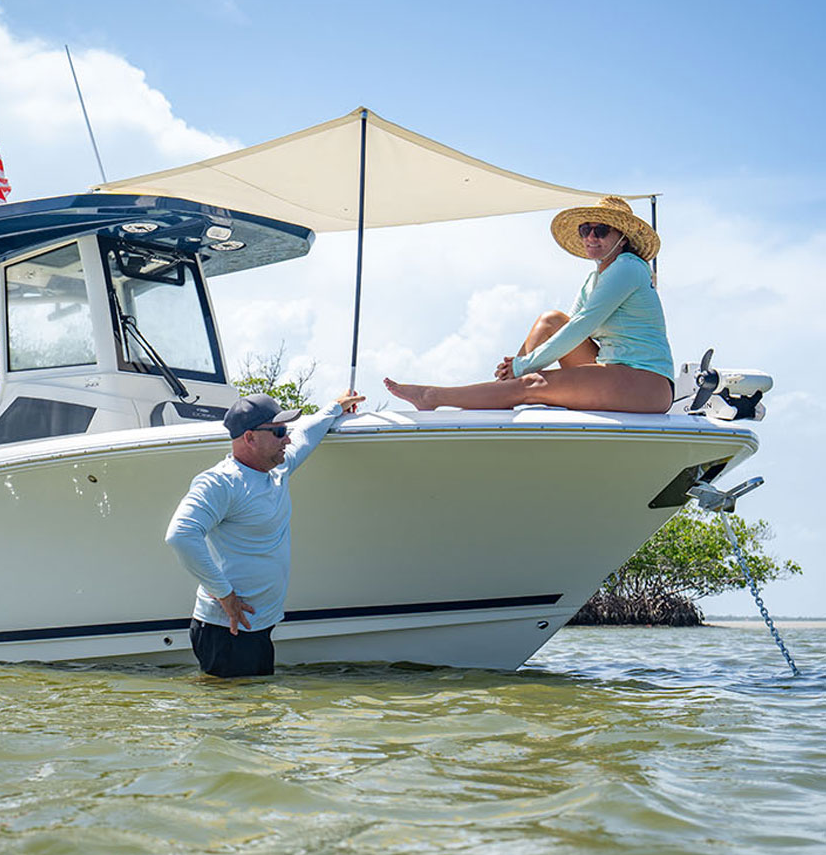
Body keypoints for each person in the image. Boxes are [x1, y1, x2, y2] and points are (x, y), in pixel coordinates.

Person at [384, 195, 674, 414]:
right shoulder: (595, 278)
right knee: (551, 320)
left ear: (621, 238)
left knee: (531, 385)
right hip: (611, 369)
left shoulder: (629, 267)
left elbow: (584, 323)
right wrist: (521, 366)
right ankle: (501, 392)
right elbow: (569, 328)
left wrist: (524, 366)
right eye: (586, 230)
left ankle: (433, 397)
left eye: (600, 231)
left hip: (646, 382)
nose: (590, 237)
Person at [165, 389, 365, 678]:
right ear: (249, 437)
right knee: (234, 717)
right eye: (280, 431)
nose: (287, 438)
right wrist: (225, 595)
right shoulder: (221, 482)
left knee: (257, 714)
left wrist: (335, 407)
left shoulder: (277, 468)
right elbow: (181, 535)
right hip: (227, 628)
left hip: (257, 626)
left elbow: (307, 434)